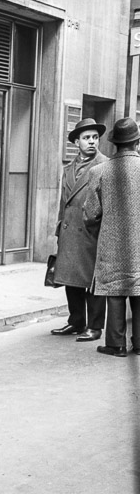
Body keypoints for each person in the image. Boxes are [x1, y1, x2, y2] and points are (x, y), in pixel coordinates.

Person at [83, 117, 140, 357]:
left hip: (112, 241)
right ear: (137, 142)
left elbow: (90, 214)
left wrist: (101, 229)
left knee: (115, 291)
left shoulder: (99, 171)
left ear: (114, 143)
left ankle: (116, 344)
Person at [50, 118, 108, 341]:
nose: (92, 142)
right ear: (77, 142)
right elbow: (63, 202)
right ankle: (75, 321)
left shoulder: (105, 166)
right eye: (86, 138)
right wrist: (58, 230)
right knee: (70, 278)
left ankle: (94, 326)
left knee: (93, 280)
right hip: (69, 230)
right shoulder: (68, 169)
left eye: (95, 137)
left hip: (92, 232)